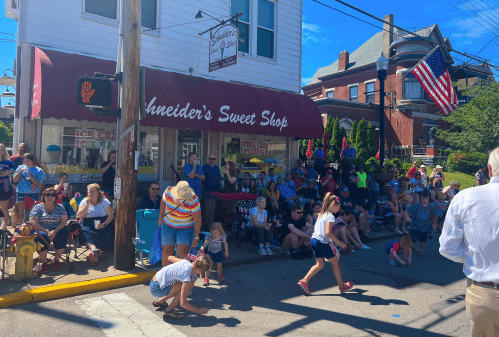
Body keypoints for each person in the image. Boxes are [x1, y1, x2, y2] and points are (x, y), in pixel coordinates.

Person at [439, 147, 499, 337]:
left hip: (485, 291)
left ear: (488, 170)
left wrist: (476, 258)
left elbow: (448, 248)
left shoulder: (465, 198)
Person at [298, 193, 354, 295]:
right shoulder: (331, 217)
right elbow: (328, 232)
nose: (339, 208)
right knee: (335, 264)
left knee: (319, 264)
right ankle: (342, 286)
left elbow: (316, 228)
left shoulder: (322, 213)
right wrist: (339, 242)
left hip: (314, 240)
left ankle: (304, 281)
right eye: (338, 206)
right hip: (321, 242)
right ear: (333, 206)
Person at [150, 255, 210, 319]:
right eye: (202, 272)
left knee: (184, 285)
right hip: (157, 289)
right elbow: (183, 304)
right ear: (199, 270)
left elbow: (170, 258)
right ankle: (168, 311)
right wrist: (199, 310)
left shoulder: (185, 262)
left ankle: (160, 301)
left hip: (154, 282)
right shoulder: (186, 277)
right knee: (189, 286)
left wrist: (173, 258)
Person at [157, 181, 202, 267]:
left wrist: (196, 238)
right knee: (166, 251)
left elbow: (198, 220)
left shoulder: (194, 200)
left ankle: (183, 275)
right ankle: (166, 276)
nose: (181, 200)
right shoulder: (168, 192)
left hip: (186, 227)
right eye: (179, 197)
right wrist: (160, 217)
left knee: (183, 252)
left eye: (183, 198)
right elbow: (163, 203)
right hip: (168, 224)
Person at [30, 188, 69, 273]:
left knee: (63, 232)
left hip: (57, 229)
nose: (50, 197)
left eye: (53, 195)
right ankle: (44, 262)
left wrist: (54, 232)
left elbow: (64, 222)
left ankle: (57, 260)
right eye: (47, 194)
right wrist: (47, 231)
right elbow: (33, 222)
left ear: (55, 197)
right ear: (43, 196)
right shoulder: (38, 207)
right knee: (42, 236)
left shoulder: (60, 207)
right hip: (42, 230)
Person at [77, 183, 115, 265]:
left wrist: (104, 224)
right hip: (88, 223)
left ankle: (94, 254)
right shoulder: (84, 201)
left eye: (92, 192)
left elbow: (111, 215)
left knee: (108, 232)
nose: (90, 194)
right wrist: (87, 205)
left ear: (98, 192)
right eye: (89, 192)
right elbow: (80, 215)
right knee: (85, 233)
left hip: (103, 223)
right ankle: (94, 250)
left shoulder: (104, 201)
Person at [13, 153, 46, 227]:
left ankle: (32, 229)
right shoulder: (20, 167)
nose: (26, 163)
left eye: (28, 161)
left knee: (32, 213)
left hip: (33, 193)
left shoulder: (38, 170)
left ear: (32, 161)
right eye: (25, 161)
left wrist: (30, 176)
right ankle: (21, 229)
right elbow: (14, 180)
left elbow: (38, 184)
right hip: (21, 193)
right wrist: (19, 172)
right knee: (21, 213)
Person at [407, 190, 437, 257]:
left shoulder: (430, 207)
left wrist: (435, 223)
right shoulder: (416, 205)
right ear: (421, 198)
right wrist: (407, 217)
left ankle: (420, 250)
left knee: (423, 241)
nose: (425, 200)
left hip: (425, 226)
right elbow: (407, 211)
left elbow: (435, 215)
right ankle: (411, 247)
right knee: (413, 239)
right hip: (415, 225)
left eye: (426, 199)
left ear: (428, 198)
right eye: (423, 199)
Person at [0, 144, 15, 231]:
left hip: (4, 188)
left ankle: (3, 228)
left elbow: (14, 170)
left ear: (4, 151)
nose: (0, 152)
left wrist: (8, 172)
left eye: (1, 150)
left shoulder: (8, 162)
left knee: (4, 208)